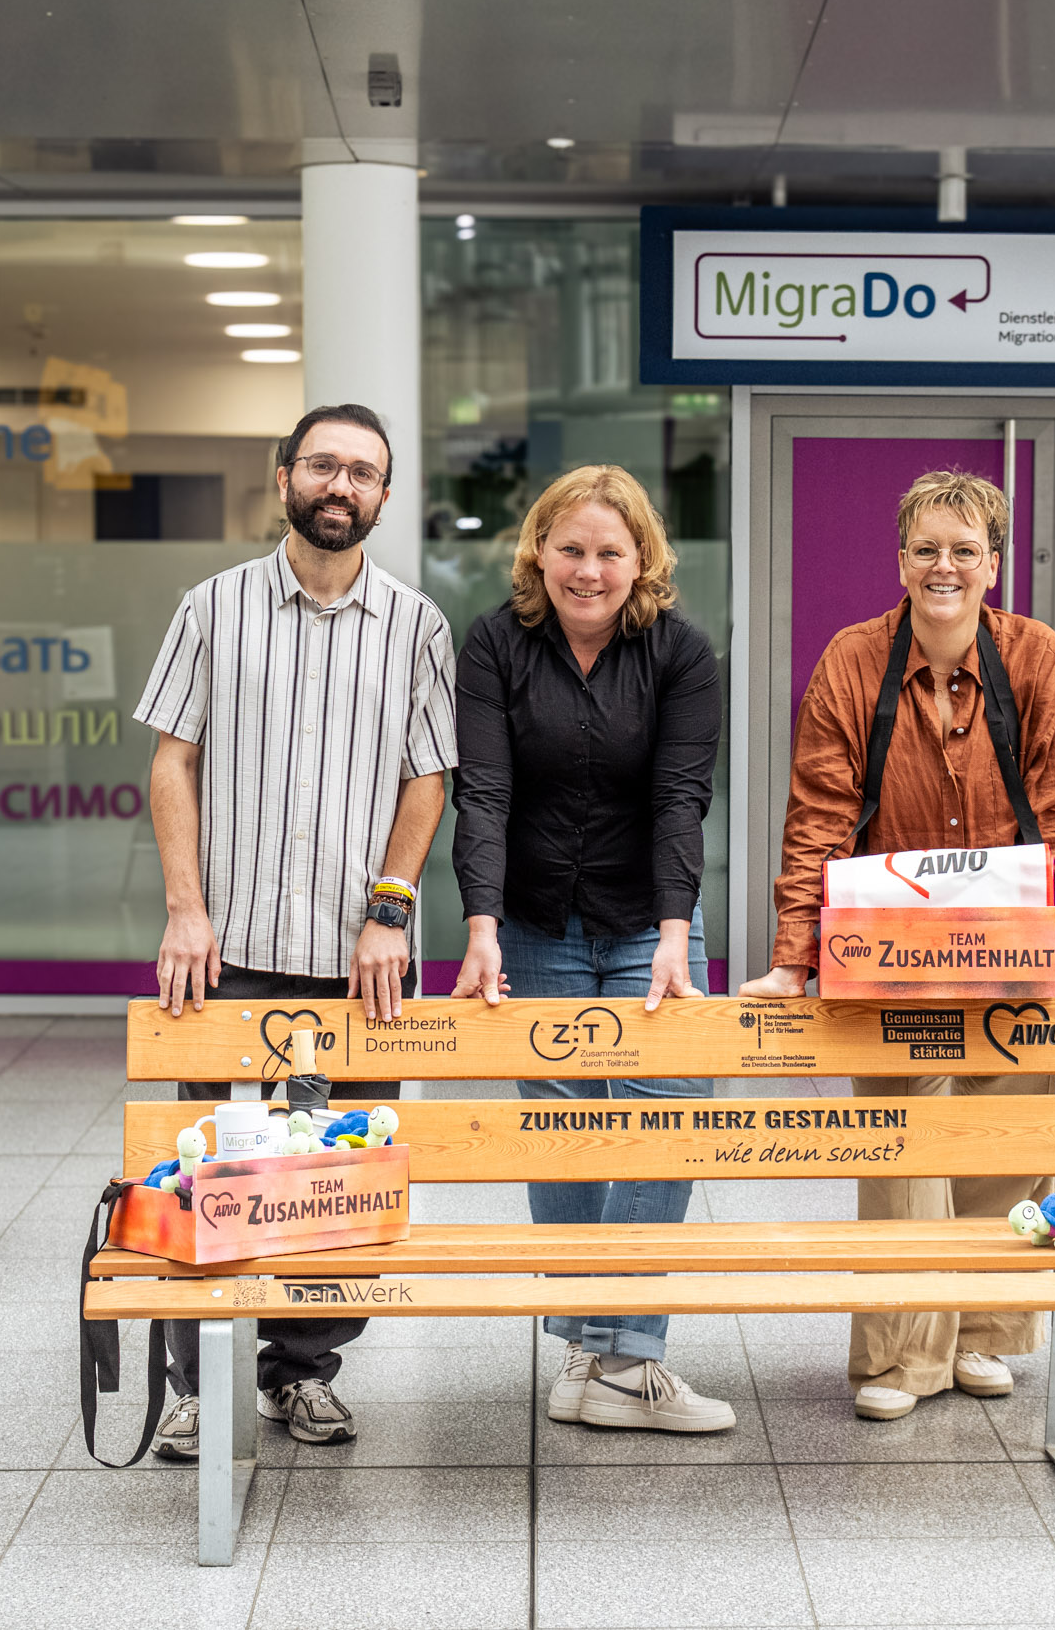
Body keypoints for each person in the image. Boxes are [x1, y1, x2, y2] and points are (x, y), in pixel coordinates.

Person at [741, 469, 1055, 1423]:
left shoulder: (1037, 658)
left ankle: (984, 1334)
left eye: (965, 549)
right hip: (893, 950)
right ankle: (902, 1355)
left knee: (1005, 1135)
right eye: (927, 549)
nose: (944, 566)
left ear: (994, 564)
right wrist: (794, 956)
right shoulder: (853, 658)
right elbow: (821, 816)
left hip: (1014, 944)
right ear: (900, 560)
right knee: (905, 1142)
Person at [134, 401, 456, 1454]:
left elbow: (428, 776)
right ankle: (193, 1379)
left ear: (384, 496)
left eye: (362, 472)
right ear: (283, 477)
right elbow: (171, 759)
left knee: (332, 1163)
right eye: (323, 464)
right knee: (208, 1159)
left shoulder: (417, 626)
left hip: (348, 956)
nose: (340, 485)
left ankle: (297, 1370)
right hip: (224, 953)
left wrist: (388, 913)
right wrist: (187, 907)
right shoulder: (213, 607)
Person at [449, 464, 731, 1432]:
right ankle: (603, 1360)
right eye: (570, 547)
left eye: (611, 550)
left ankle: (608, 1345)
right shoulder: (493, 644)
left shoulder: (682, 655)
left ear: (642, 558)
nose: (589, 569)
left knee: (673, 1108)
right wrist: (480, 926)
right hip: (531, 923)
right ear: (538, 551)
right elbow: (481, 791)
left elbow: (678, 799)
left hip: (648, 922)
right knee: (566, 1127)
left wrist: (673, 933)